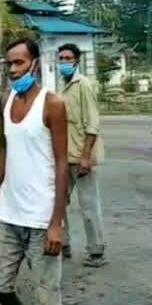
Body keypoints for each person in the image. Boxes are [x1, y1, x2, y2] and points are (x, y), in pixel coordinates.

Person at [0, 38, 69, 305]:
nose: (13, 70)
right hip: (9, 216)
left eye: (19, 63)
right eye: (9, 64)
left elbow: (62, 162)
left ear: (36, 64)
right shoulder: (7, 102)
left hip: (41, 219)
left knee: (48, 298)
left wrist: (56, 223)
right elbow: (5, 151)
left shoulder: (52, 104)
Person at [57, 43, 107, 267]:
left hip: (81, 156)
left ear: (76, 61)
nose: (64, 62)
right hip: (64, 156)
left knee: (88, 205)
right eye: (61, 58)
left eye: (68, 58)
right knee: (58, 202)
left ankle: (96, 250)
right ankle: (63, 244)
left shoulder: (83, 85)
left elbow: (93, 124)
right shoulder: (63, 86)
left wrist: (86, 156)